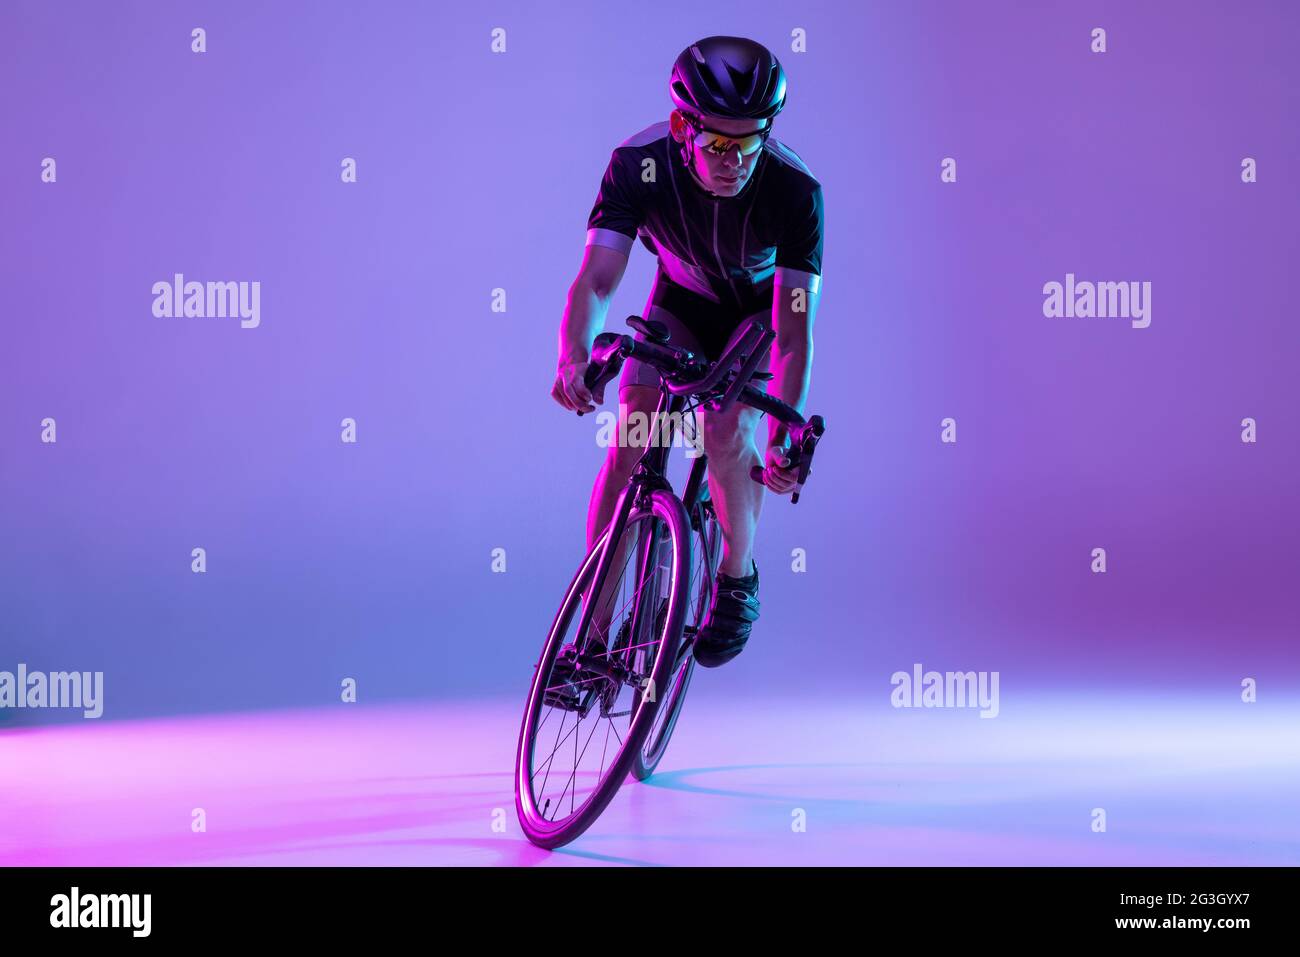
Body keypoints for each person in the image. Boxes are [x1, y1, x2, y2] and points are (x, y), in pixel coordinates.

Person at [551, 36, 824, 668]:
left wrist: (785, 427)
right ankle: (593, 637)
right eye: (720, 144)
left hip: (758, 318)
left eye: (751, 141)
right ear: (683, 127)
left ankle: (737, 575)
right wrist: (574, 355)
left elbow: (793, 331)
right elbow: (596, 280)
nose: (736, 161)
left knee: (725, 428)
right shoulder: (636, 165)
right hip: (681, 302)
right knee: (632, 439)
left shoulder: (795, 191)